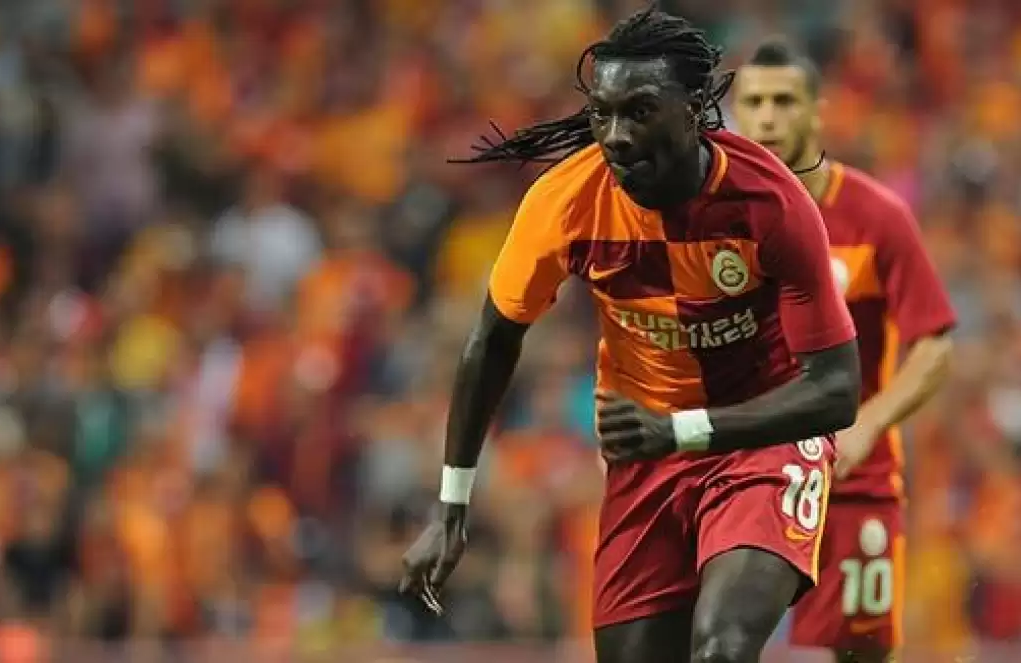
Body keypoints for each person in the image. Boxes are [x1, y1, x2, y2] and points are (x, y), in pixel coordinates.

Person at [399, 7, 862, 663]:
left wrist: (684, 430)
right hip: (646, 453)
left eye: (639, 112)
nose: (615, 136)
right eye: (602, 114)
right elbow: (493, 340)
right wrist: (451, 507)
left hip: (763, 439)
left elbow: (836, 392)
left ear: (694, 108)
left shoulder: (772, 205)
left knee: (722, 649)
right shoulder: (564, 202)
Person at [732, 39, 957, 663]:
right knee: (717, 644)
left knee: (859, 655)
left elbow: (934, 344)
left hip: (852, 479)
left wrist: (868, 425)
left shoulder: (875, 216)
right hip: (741, 476)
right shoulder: (715, 218)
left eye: (784, 101)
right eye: (755, 102)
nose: (768, 117)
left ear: (816, 111)